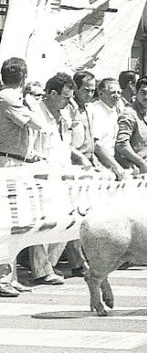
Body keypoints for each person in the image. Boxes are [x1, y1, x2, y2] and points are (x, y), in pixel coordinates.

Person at [30, 72, 85, 285]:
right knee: (43, 224)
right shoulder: (36, 113)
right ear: (52, 93)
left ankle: (50, 265)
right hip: (42, 175)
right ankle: (41, 270)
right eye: (64, 97)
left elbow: (76, 143)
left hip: (63, 174)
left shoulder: (64, 115)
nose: (67, 102)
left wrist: (74, 118)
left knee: (65, 222)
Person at [0, 58, 47, 296]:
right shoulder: (8, 98)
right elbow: (39, 123)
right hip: (7, 162)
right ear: (24, 76)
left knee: (16, 223)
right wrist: (30, 101)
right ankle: (2, 278)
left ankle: (11, 275)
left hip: (17, 161)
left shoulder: (10, 98)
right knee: (7, 222)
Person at [115, 75, 147, 174]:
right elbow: (122, 144)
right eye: (143, 92)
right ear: (136, 93)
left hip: (145, 169)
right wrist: (141, 163)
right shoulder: (129, 114)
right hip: (131, 170)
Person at [91, 78, 125, 180]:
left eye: (119, 92)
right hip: (98, 165)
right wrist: (115, 166)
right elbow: (96, 144)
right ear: (101, 93)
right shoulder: (95, 111)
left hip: (110, 163)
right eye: (113, 92)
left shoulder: (114, 112)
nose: (117, 96)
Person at [68, 71, 97, 169]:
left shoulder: (89, 108)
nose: (90, 94)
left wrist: (93, 157)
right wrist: (82, 159)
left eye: (92, 91)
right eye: (86, 90)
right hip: (74, 163)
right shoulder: (68, 110)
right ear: (75, 88)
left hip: (89, 163)